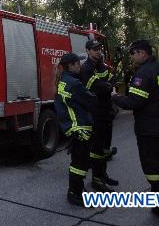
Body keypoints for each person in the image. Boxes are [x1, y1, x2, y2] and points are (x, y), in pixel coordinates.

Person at [112, 40, 159, 219]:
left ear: (142, 53)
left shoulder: (143, 74)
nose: (132, 57)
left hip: (150, 129)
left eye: (133, 53)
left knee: (153, 167)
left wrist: (115, 97)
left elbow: (134, 103)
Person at [55, 53, 97, 206]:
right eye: (77, 64)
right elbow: (91, 101)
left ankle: (76, 189)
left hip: (72, 127)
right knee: (81, 163)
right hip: (80, 128)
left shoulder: (63, 81)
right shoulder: (74, 84)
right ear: (70, 66)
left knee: (77, 161)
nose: (80, 66)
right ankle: (75, 194)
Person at [79, 40, 118, 192]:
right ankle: (96, 180)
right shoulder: (86, 68)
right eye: (94, 49)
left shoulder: (101, 65)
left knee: (105, 147)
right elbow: (95, 87)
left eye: (99, 49)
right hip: (95, 113)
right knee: (97, 148)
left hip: (106, 110)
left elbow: (111, 79)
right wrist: (108, 86)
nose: (98, 51)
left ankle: (103, 174)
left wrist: (108, 85)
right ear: (88, 51)